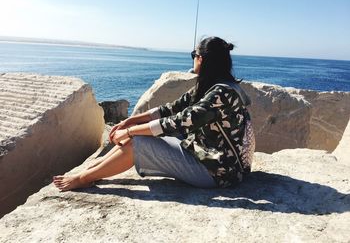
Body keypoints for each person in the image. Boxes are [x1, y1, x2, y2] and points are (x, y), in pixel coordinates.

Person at [53, 36, 255, 191]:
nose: (193, 59)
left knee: (138, 143)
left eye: (194, 55)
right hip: (210, 156)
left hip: (217, 172)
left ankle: (83, 179)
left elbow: (179, 122)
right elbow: (170, 108)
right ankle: (96, 167)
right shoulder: (216, 86)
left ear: (201, 59)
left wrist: (131, 132)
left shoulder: (221, 94)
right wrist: (130, 121)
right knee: (137, 135)